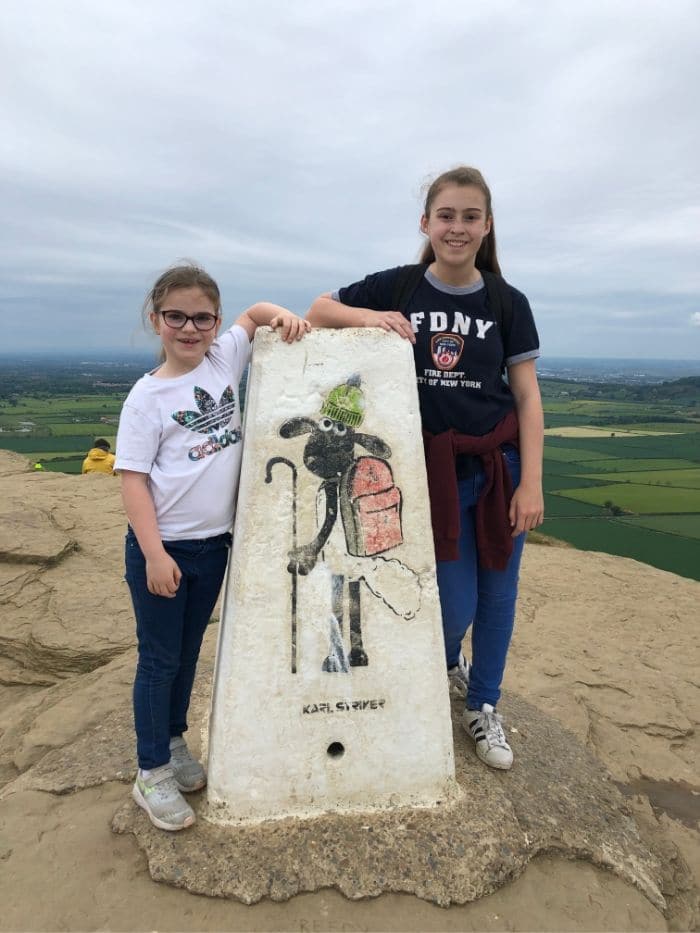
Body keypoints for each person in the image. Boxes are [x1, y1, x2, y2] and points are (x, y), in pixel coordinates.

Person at [306, 166, 544, 771]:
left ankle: (483, 705)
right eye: (446, 216)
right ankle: (445, 666)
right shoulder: (401, 286)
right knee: (454, 604)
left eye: (470, 217)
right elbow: (319, 307)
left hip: (497, 469)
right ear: (426, 223)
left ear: (487, 226)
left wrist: (532, 482)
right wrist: (370, 318)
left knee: (499, 597)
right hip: (431, 472)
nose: (457, 228)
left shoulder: (505, 301)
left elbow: (526, 396)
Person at [115, 263, 310, 830]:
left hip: (213, 548)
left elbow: (255, 316)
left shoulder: (225, 359)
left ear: (215, 322)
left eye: (202, 318)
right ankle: (150, 772)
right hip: (165, 549)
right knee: (158, 660)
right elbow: (132, 480)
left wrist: (282, 317)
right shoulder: (146, 398)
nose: (189, 328)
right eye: (176, 317)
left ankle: (173, 742)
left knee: (187, 655)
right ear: (156, 320)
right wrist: (153, 554)